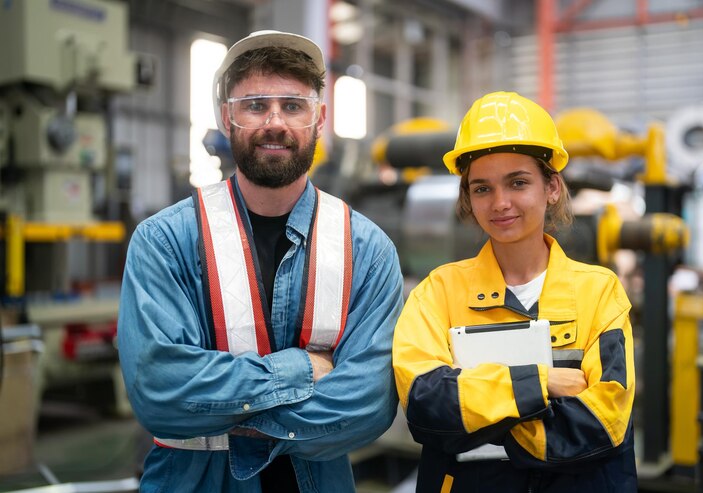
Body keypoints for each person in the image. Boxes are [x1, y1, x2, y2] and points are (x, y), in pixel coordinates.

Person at [118, 30, 404, 493]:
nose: (275, 122)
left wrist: (229, 414)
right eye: (254, 106)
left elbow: (368, 406)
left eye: (293, 106)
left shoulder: (366, 249)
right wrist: (303, 369)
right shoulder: (165, 241)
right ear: (226, 118)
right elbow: (160, 391)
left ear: (319, 118)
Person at [393, 91, 637, 492]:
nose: (500, 203)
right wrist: (541, 384)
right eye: (483, 188)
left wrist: (484, 428)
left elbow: (605, 422)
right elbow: (425, 407)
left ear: (552, 187)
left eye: (518, 182)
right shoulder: (438, 292)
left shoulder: (599, 292)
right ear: (468, 199)